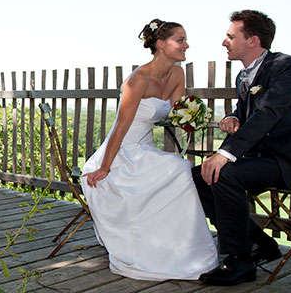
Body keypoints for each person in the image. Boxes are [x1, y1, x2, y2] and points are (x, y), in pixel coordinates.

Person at [193, 10, 291, 286]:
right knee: (198, 177)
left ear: (253, 40)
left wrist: (224, 153)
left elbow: (268, 113)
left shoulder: (285, 66)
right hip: (265, 158)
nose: (224, 42)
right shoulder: (243, 76)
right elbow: (249, 113)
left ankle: (240, 261)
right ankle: (260, 244)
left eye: (231, 36)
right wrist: (233, 116)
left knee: (225, 175)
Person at [81, 19, 218, 281]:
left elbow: (181, 115)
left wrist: (210, 121)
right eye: (180, 40)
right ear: (160, 43)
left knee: (179, 169)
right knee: (177, 169)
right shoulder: (137, 80)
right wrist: (105, 167)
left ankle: (181, 250)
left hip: (144, 149)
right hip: (122, 152)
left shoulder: (177, 73)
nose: (186, 45)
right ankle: (156, 251)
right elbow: (120, 126)